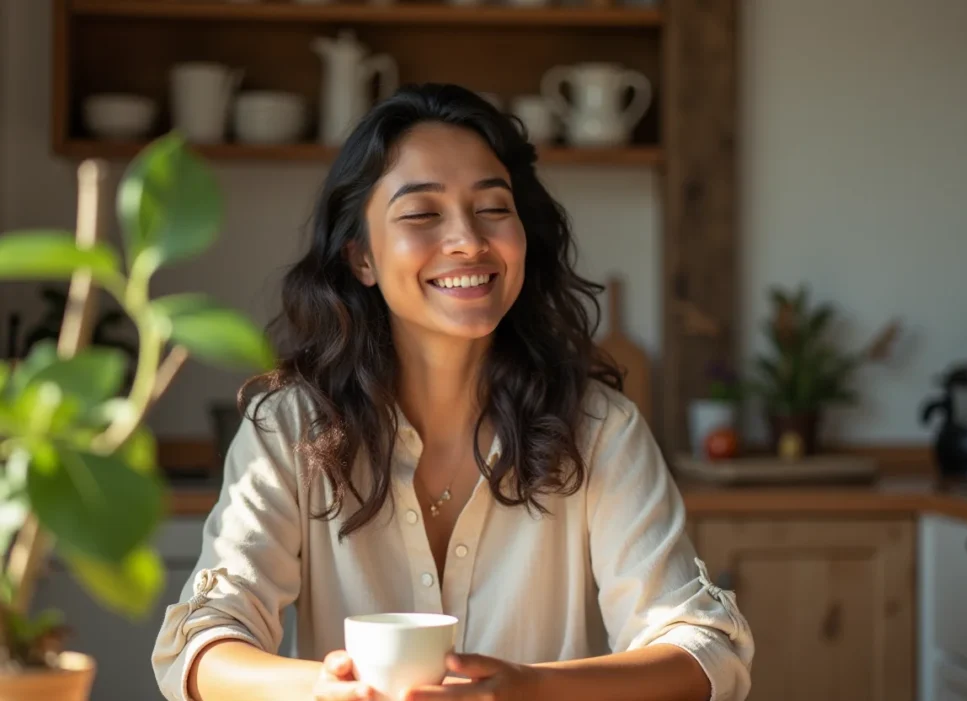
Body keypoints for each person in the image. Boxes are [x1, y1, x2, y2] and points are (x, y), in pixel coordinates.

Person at [151, 83, 754, 701]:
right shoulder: (290, 428)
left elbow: (706, 650)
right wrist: (319, 694)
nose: (467, 239)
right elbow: (200, 646)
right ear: (361, 257)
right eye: (421, 214)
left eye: (493, 208)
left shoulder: (600, 429)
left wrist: (530, 691)